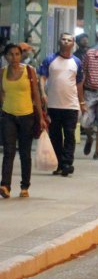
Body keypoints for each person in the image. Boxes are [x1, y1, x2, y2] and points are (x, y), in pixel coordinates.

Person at [0, 43, 48, 198]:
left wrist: (41, 117)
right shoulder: (2, 72)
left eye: (17, 54)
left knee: (25, 153)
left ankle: (25, 185)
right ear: (5, 56)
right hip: (8, 116)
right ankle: (5, 185)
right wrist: (4, 104)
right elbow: (1, 92)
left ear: (21, 56)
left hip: (27, 116)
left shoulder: (29, 71)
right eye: (10, 54)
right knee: (8, 151)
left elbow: (36, 95)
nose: (14, 57)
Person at [38, 33, 85, 177]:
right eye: (63, 39)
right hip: (53, 104)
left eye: (69, 40)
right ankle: (57, 164)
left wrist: (81, 101)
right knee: (56, 136)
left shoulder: (76, 62)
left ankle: (67, 163)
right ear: (59, 41)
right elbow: (42, 77)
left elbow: (79, 83)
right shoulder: (50, 59)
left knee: (70, 135)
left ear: (73, 43)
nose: (66, 42)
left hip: (71, 105)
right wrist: (43, 93)